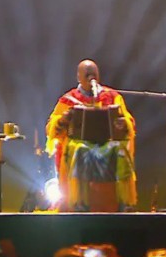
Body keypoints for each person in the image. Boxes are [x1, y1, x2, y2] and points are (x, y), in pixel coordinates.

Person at [46, 59, 136, 212]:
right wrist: (63, 120)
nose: (91, 77)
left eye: (94, 74)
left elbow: (129, 122)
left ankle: (124, 201)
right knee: (80, 150)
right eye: (87, 75)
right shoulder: (68, 100)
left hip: (107, 144)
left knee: (121, 150)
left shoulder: (112, 96)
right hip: (80, 144)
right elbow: (51, 128)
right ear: (79, 77)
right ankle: (79, 201)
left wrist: (123, 123)